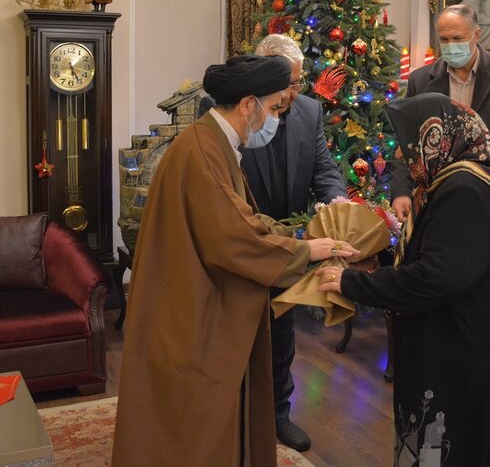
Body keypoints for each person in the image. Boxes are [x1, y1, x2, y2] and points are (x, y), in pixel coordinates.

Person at [111, 54, 358, 467]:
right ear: (248, 105)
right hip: (192, 303)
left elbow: (242, 217)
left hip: (189, 289)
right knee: (195, 416)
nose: (277, 118)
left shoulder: (211, 142)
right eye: (275, 108)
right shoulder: (202, 150)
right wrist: (307, 250)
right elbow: (232, 238)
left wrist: (296, 237)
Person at [317, 93, 490, 467]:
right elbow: (443, 256)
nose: (401, 154)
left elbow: (436, 279)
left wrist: (351, 283)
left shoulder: (463, 189)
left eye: (407, 142)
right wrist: (375, 263)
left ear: (434, 138)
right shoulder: (464, 179)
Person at [245, 34, 347, 451]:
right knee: (239, 336)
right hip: (245, 244)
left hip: (289, 249)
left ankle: (277, 416)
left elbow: (323, 168)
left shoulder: (309, 110)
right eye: (284, 83)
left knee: (281, 336)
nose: (290, 94)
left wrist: (337, 202)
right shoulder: (236, 107)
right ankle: (235, 418)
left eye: (296, 83)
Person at [391, 4, 490, 220]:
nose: (450, 45)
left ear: (476, 34)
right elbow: (408, 145)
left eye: (457, 38)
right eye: (444, 39)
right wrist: (401, 192)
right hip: (438, 203)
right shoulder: (421, 80)